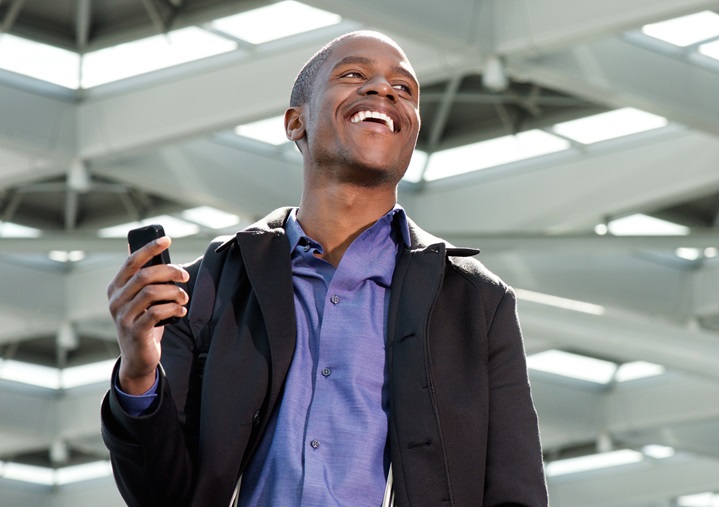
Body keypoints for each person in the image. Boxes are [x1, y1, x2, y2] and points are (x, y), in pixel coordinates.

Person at [101, 31, 548, 507]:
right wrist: (138, 372)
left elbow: (514, 490)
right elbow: (160, 496)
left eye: (405, 89)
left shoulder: (476, 303)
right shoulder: (210, 286)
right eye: (353, 75)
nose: (383, 89)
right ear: (297, 122)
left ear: (412, 130)